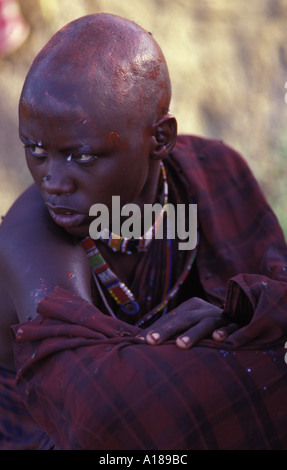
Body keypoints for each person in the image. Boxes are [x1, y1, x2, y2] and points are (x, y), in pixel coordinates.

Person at [0, 13, 287, 450]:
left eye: (81, 156)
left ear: (160, 139)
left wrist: (238, 311)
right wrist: (243, 337)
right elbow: (98, 406)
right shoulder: (32, 236)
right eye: (35, 150)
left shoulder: (213, 172)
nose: (52, 181)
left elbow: (278, 291)